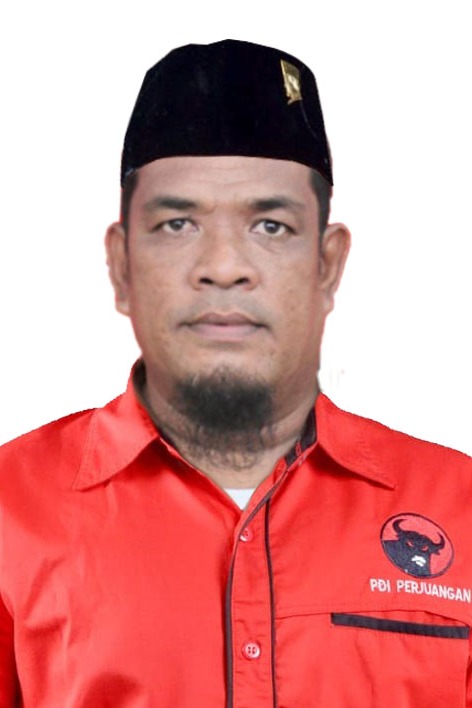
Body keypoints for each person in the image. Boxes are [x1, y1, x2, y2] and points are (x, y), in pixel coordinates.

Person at [1, 39, 471, 708]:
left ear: (328, 266)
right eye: (178, 223)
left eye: (271, 226)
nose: (223, 267)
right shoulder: (11, 506)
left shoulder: (460, 504)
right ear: (122, 265)